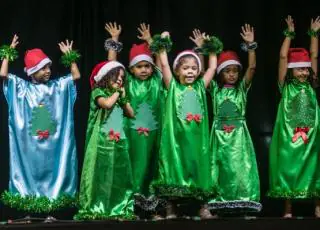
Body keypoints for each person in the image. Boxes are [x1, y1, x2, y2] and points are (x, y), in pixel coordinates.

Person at [0, 34, 80, 216]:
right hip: (29, 150)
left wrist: (70, 58)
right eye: (43, 68)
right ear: (32, 71)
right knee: (30, 173)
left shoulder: (58, 87)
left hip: (53, 149)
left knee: (53, 174)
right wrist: (8, 52)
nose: (48, 71)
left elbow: (76, 76)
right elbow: (3, 74)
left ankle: (52, 209)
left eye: (49, 67)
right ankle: (29, 208)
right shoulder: (21, 89)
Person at [150, 31, 220, 219]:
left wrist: (210, 48)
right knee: (174, 169)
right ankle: (171, 208)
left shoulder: (200, 86)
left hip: (197, 142)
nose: (190, 71)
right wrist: (163, 43)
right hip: (176, 141)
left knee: (199, 169)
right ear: (177, 71)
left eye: (193, 68)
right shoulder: (172, 85)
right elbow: (163, 63)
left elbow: (212, 68)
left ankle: (203, 206)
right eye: (186, 68)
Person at [104, 22, 165, 219]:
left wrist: (150, 41)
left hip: (154, 136)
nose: (145, 70)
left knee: (152, 168)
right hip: (131, 135)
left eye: (147, 65)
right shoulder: (127, 83)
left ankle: (153, 208)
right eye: (139, 66)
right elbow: (111, 68)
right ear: (131, 69)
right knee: (133, 167)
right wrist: (114, 41)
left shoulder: (156, 81)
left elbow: (161, 63)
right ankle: (130, 207)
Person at [268, 15, 320, 218]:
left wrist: (314, 34)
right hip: (290, 135)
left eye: (306, 69)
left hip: (312, 134)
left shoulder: (311, 85)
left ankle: (317, 205)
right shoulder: (286, 86)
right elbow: (282, 57)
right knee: (288, 167)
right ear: (291, 70)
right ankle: (288, 208)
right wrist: (289, 34)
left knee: (315, 167)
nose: (305, 72)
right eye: (300, 68)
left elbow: (314, 55)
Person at [207, 24, 261, 214]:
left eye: (234, 71)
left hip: (238, 136)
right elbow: (207, 73)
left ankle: (244, 202)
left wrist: (250, 45)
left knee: (240, 168)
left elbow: (252, 67)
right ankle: (218, 203)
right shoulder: (215, 90)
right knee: (220, 168)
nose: (231, 74)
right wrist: (208, 52)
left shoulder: (241, 90)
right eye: (227, 71)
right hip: (219, 136)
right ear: (221, 73)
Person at [75, 60, 136, 220]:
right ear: (105, 77)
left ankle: (117, 207)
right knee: (98, 173)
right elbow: (107, 104)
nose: (120, 80)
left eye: (122, 78)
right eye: (116, 76)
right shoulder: (98, 92)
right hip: (100, 142)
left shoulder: (119, 95)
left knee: (117, 174)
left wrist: (123, 98)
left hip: (117, 142)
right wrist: (118, 93)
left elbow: (131, 113)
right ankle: (94, 207)